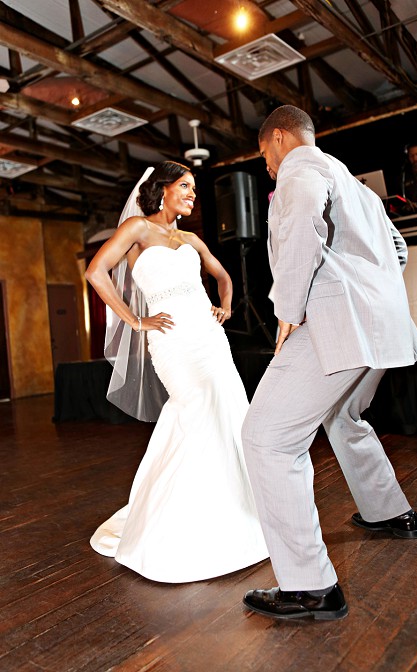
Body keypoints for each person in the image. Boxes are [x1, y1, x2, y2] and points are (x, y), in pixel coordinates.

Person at [242, 105, 417, 621]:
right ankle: (390, 513)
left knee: (267, 439)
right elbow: (397, 246)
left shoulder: (303, 168)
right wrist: (378, 290)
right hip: (382, 327)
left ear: (279, 138)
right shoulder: (355, 183)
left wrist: (287, 310)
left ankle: (309, 587)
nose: (268, 168)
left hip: (334, 324)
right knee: (343, 418)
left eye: (264, 156)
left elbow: (302, 228)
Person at [84, 161, 268, 582]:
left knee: (229, 413)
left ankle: (237, 514)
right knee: (196, 411)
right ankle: (177, 524)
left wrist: (225, 305)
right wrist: (134, 320)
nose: (192, 193)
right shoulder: (136, 229)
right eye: (185, 185)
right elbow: (96, 271)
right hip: (172, 343)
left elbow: (223, 277)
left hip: (209, 338)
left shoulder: (190, 238)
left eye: (194, 188)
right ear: (162, 189)